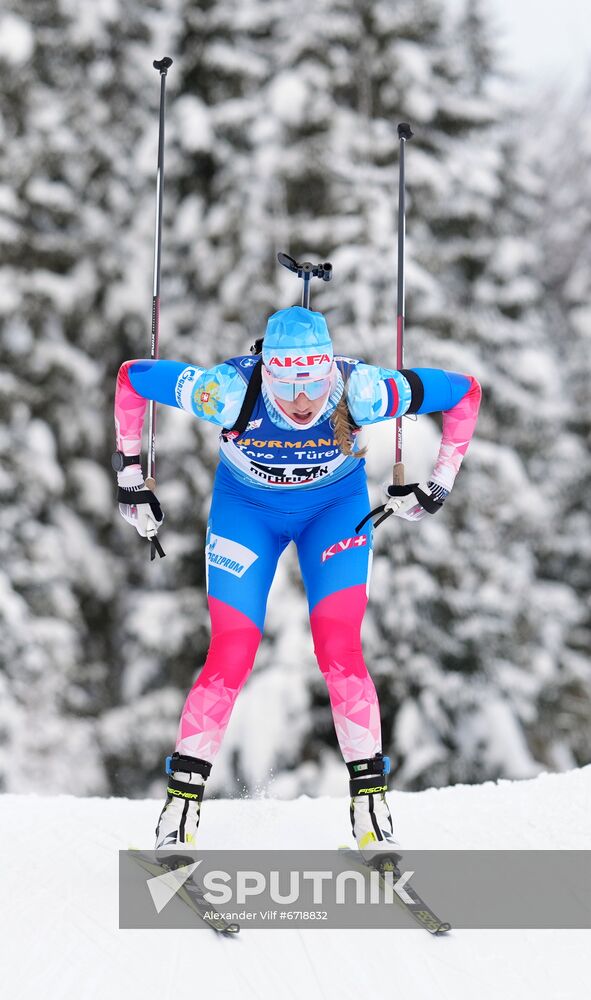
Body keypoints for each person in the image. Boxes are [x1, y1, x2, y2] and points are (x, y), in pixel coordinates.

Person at [113, 305, 481, 858]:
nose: (304, 401)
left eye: (315, 385)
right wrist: (130, 479)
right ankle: (180, 809)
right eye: (288, 388)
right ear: (269, 372)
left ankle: (371, 808)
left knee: (340, 646)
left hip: (331, 512)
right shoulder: (227, 391)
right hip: (247, 513)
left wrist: (439, 483)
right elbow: (133, 378)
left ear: (331, 370)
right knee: (231, 651)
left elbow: (466, 393)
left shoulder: (363, 390)